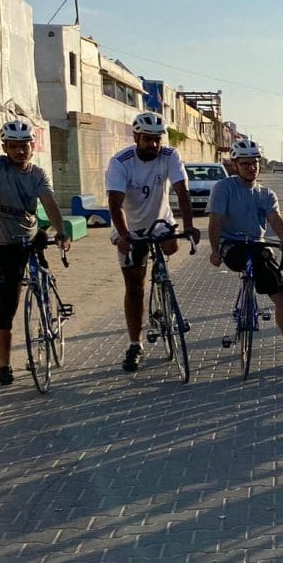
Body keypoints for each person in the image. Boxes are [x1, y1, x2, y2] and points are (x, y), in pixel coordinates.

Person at [208, 139, 283, 367]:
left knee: (282, 294)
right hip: (231, 245)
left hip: (258, 245)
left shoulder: (266, 194)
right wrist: (214, 251)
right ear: (235, 165)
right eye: (246, 164)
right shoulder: (223, 188)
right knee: (252, 260)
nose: (251, 168)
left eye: (255, 163)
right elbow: (215, 221)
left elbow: (275, 219)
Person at [0, 119, 70, 386]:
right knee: (7, 306)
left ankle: (51, 310)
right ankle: (4, 365)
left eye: (24, 145)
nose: (19, 151)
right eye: (13, 146)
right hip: (6, 243)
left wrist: (61, 231)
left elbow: (49, 203)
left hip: (32, 235)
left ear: (33, 145)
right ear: (5, 147)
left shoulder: (38, 174)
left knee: (42, 274)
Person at [106, 110, 199, 372]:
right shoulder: (121, 162)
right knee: (134, 286)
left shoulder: (170, 156)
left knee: (172, 245)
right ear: (136, 136)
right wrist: (124, 236)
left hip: (160, 222)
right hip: (130, 226)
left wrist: (189, 226)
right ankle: (135, 344)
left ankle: (163, 292)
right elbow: (115, 202)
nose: (154, 145)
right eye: (148, 139)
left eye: (158, 139)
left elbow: (182, 192)